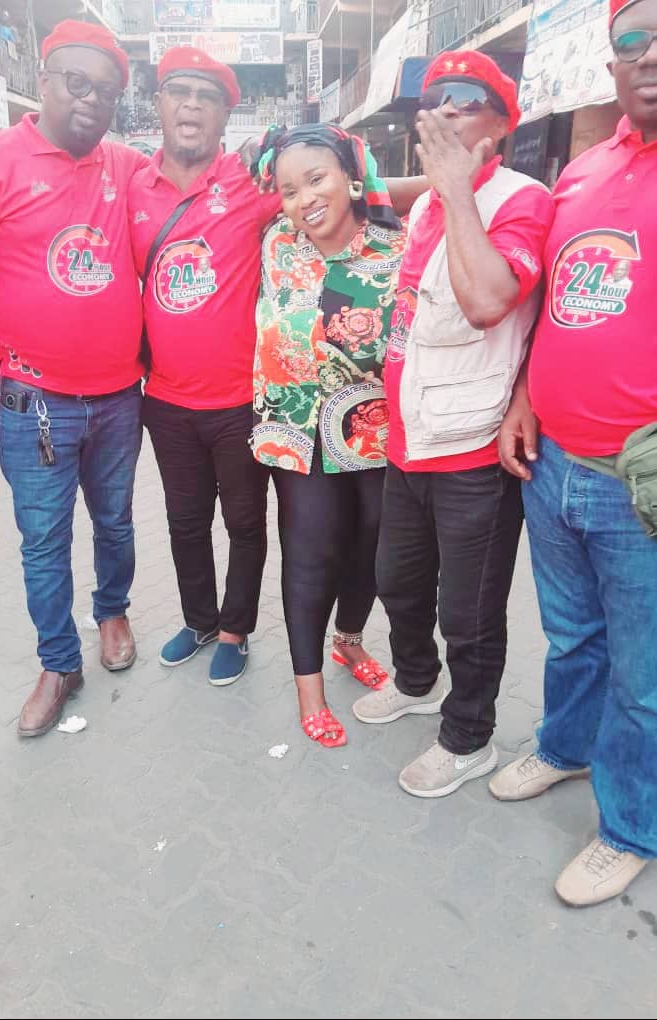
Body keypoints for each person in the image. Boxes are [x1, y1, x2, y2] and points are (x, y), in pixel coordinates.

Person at [129, 46, 428, 689]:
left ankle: (236, 631)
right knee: (185, 523)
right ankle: (199, 620)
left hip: (248, 405)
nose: (191, 107)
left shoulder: (253, 190)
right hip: (173, 401)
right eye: (179, 92)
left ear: (225, 114)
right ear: (157, 103)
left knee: (249, 525)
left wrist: (453, 183)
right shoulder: (135, 186)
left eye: (207, 97)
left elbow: (342, 189)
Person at [0, 21, 151, 738]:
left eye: (107, 91)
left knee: (116, 520)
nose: (91, 100)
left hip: (119, 397)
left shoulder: (127, 168)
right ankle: (59, 662)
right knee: (42, 537)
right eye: (77, 82)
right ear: (43, 79)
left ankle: (112, 612)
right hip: (33, 401)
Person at [490, 0, 657, 906]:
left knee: (646, 675)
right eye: (634, 41)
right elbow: (553, 305)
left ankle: (630, 825)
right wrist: (524, 397)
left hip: (640, 484)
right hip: (553, 462)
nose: (651, 56)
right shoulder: (583, 171)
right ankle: (565, 746)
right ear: (612, 64)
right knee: (573, 636)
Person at [352, 51, 555, 796]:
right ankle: (416, 681)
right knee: (396, 583)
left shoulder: (520, 200)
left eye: (465, 102)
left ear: (501, 126)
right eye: (433, 99)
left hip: (473, 448)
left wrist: (458, 190)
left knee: (466, 613)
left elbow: (488, 301)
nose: (442, 112)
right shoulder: (427, 205)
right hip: (408, 438)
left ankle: (469, 737)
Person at [251, 124, 407, 747]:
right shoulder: (275, 242)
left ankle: (349, 640)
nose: (304, 200)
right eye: (289, 190)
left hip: (371, 428)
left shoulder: (396, 248)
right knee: (310, 553)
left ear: (350, 177)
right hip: (295, 427)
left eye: (317, 179)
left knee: (371, 548)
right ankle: (308, 689)